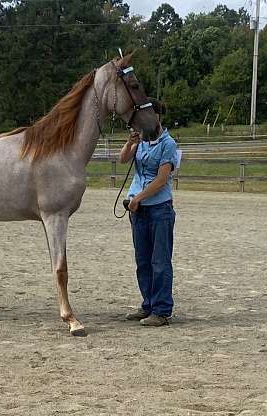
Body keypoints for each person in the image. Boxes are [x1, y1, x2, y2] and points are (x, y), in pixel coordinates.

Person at [119, 101, 178, 327]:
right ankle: (148, 304)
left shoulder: (168, 144)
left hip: (159, 208)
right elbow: (123, 159)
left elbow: (162, 179)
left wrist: (139, 199)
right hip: (138, 209)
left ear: (157, 117)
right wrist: (129, 143)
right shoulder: (141, 141)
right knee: (142, 261)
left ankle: (162, 310)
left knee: (160, 261)